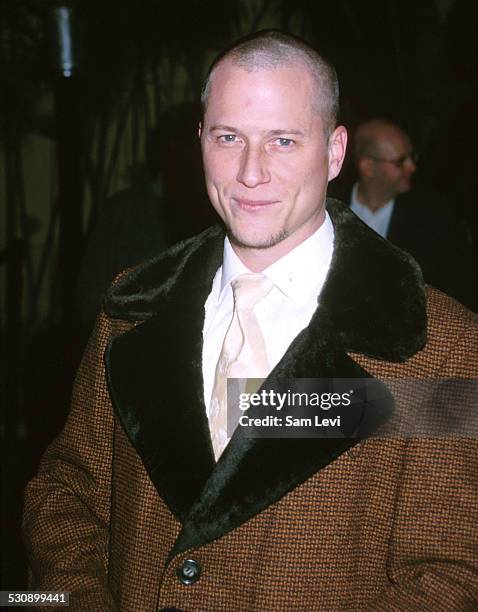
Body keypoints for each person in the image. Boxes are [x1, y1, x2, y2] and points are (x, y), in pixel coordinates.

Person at [23, 30, 478, 611]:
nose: (250, 172)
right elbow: (66, 495)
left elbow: (449, 572)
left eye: (283, 141)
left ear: (335, 153)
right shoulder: (133, 309)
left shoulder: (437, 345)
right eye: (229, 137)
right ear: (200, 142)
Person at [349, 118, 477, 310]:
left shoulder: (434, 220)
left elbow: (458, 291)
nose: (412, 167)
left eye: (412, 157)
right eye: (400, 162)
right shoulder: (325, 208)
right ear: (368, 166)